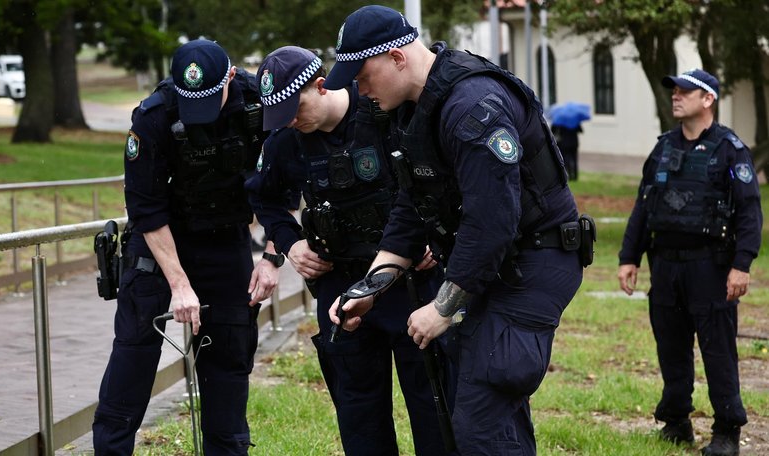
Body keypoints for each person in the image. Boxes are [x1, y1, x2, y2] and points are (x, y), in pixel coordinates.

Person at [324, 5, 587, 454]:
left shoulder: (470, 108)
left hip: (533, 262)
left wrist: (441, 308)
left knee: (480, 421)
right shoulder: (416, 108)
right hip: (494, 265)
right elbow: (411, 207)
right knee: (483, 409)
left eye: (363, 74)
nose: (358, 88)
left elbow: (492, 221)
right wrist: (372, 286)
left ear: (398, 58)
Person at [245, 45, 454, 456]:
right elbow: (264, 199)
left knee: (436, 411)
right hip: (340, 285)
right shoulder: (286, 140)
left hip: (412, 283)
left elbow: (439, 180)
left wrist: (431, 236)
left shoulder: (385, 109)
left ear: (321, 87)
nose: (289, 118)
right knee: (359, 419)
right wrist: (291, 244)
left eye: (295, 106)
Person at [93, 39, 280, 455]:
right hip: (159, 239)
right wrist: (178, 284)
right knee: (133, 358)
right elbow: (145, 208)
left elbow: (280, 184)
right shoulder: (153, 117)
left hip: (224, 237)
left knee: (229, 360)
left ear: (230, 76)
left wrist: (271, 256)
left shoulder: (258, 105)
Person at [617, 69, 762, 456]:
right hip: (665, 267)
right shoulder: (663, 148)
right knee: (671, 348)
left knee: (717, 351)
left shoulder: (730, 150)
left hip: (710, 269)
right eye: (675, 90)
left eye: (685, 91)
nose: (676, 96)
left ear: (708, 99)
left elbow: (749, 211)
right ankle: (676, 422)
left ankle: (727, 431)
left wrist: (742, 264)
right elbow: (643, 206)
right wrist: (628, 257)